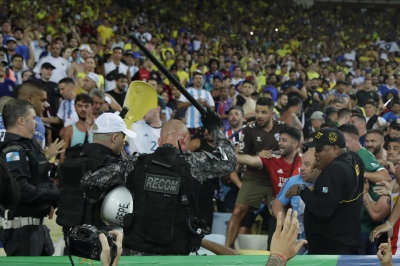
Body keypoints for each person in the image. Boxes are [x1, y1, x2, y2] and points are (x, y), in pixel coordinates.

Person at [81, 110, 237, 255]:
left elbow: (89, 182)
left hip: (135, 252)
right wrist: (214, 128)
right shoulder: (195, 164)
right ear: (184, 141)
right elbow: (230, 161)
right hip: (175, 254)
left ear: (159, 140)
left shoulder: (133, 163)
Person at [286, 127, 365, 254]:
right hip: (348, 242)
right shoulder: (355, 159)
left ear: (335, 150)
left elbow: (322, 209)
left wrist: (301, 189)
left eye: (319, 149)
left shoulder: (334, 170)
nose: (315, 154)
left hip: (330, 248)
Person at [225, 97, 288, 249]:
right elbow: (237, 156)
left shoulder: (283, 128)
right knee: (238, 210)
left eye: (264, 112)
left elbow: (294, 150)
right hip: (254, 178)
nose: (259, 115)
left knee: (279, 216)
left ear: (272, 113)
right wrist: (257, 157)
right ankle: (226, 249)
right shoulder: (249, 130)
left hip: (277, 178)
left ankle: (281, 251)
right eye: (257, 111)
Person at [0, 99, 60, 256]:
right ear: (21, 120)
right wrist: (55, 194)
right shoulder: (12, 150)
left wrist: (54, 198)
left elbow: (43, 178)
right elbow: (20, 190)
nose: (36, 122)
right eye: (33, 118)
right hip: (21, 231)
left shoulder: (31, 146)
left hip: (38, 227)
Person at [339, 123, 391, 254]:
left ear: (356, 139)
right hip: (357, 226)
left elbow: (385, 176)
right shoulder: (351, 156)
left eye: (344, 141)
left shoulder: (363, 155)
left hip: (364, 227)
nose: (341, 145)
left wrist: (358, 174)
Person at [272, 150, 321, 242]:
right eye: (301, 163)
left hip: (319, 234)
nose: (301, 168)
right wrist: (287, 227)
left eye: (307, 165)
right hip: (298, 234)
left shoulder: (326, 182)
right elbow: (277, 204)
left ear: (318, 166)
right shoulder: (293, 181)